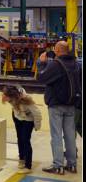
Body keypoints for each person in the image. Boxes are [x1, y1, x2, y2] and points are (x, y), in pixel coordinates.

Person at [37, 40, 81, 174]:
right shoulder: (76, 64)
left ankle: (58, 165)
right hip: (72, 105)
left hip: (56, 105)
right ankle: (72, 164)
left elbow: (42, 78)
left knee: (56, 135)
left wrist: (42, 64)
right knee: (69, 135)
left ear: (57, 50)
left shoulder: (56, 65)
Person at [1, 85, 42, 174]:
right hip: (17, 118)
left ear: (13, 96)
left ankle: (28, 166)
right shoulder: (11, 98)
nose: (4, 97)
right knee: (19, 139)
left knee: (25, 140)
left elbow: (37, 113)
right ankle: (22, 159)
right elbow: (14, 107)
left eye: (6, 96)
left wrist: (37, 125)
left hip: (28, 120)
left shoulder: (26, 100)